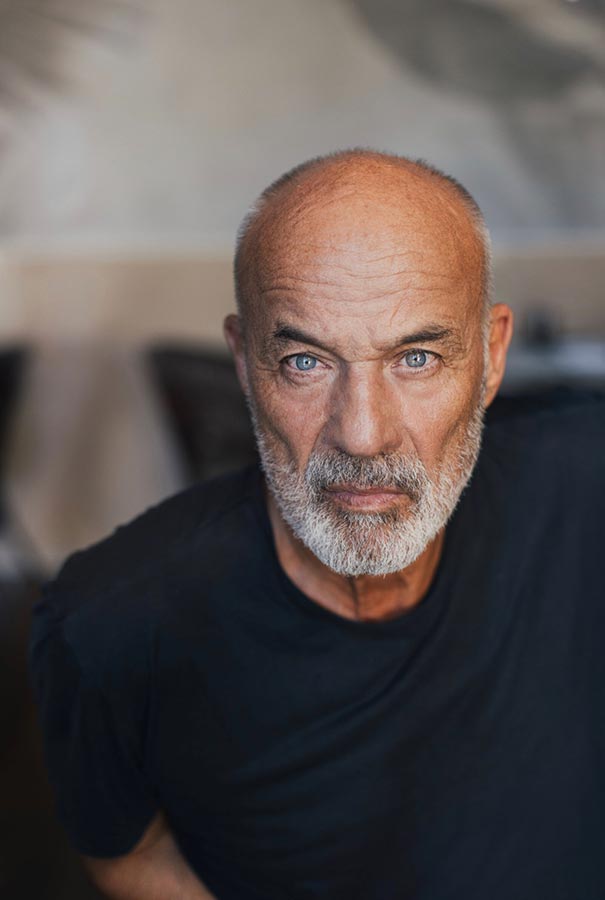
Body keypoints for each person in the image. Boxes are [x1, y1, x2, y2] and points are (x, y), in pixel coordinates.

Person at [29, 149, 605, 900]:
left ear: (491, 356)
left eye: (417, 357)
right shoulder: (107, 624)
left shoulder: (586, 486)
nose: (362, 436)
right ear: (245, 363)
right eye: (305, 361)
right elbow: (128, 851)